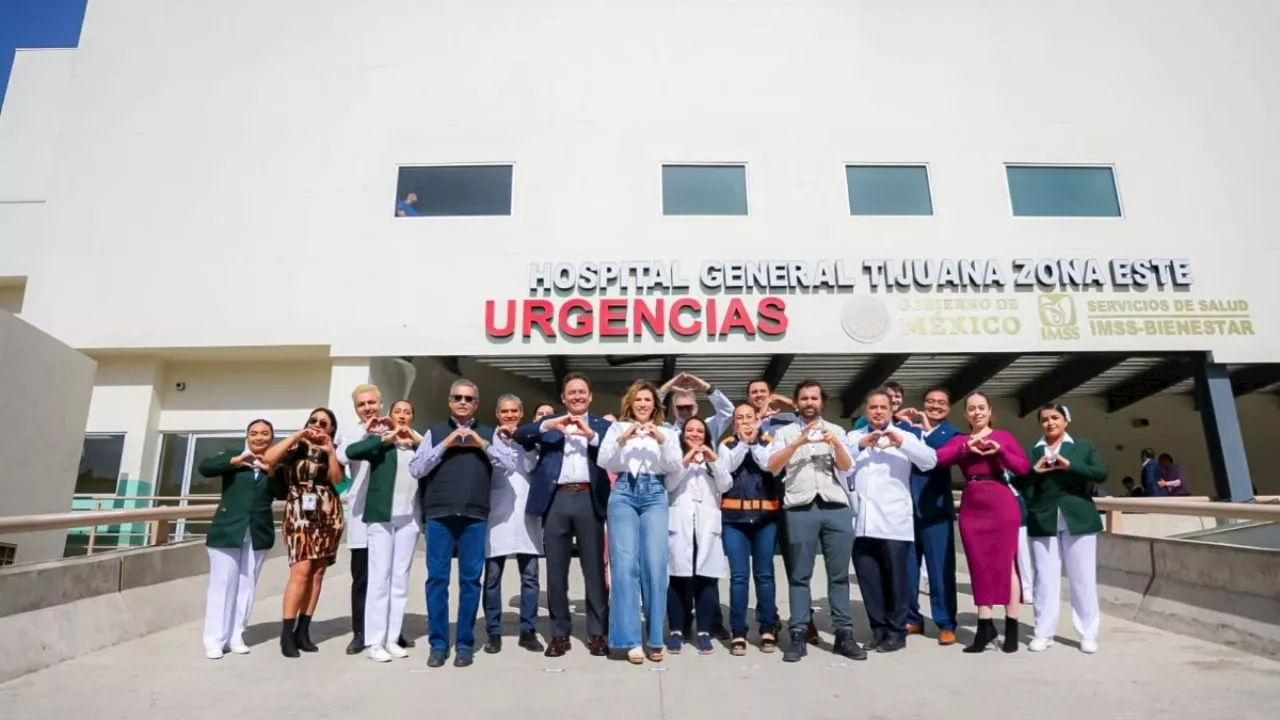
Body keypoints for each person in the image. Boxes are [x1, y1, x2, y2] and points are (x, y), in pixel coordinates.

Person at [408, 379, 518, 668]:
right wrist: (446, 443)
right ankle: (439, 644)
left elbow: (508, 466)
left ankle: (465, 644)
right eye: (457, 397)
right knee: (437, 581)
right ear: (449, 400)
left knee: (471, 582)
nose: (463, 402)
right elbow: (417, 468)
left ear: (476, 404)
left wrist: (481, 444)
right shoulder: (434, 431)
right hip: (439, 515)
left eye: (469, 398)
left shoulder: (488, 433)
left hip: (474, 516)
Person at [763, 379, 865, 663]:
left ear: (822, 402)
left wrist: (834, 444)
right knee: (799, 575)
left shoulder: (837, 430)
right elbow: (772, 467)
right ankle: (798, 634)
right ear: (796, 403)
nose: (809, 403)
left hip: (834, 506)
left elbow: (847, 467)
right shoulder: (784, 433)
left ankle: (844, 633)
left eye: (814, 398)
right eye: (804, 398)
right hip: (800, 507)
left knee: (839, 575)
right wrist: (798, 442)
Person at [515, 373, 615, 658]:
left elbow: (614, 447)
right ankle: (559, 634)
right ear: (563, 397)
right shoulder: (551, 424)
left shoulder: (601, 426)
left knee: (594, 570)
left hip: (588, 497)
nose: (577, 397)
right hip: (556, 498)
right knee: (556, 570)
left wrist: (590, 435)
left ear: (590, 396)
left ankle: (598, 633)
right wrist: (549, 423)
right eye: (572, 392)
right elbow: (521, 434)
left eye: (582, 392)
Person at [934, 392, 1031, 653]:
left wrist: (1000, 452)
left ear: (989, 411)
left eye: (981, 408)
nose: (977, 412)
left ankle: (1012, 625)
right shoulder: (960, 440)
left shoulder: (1003, 437)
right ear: (965, 415)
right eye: (971, 409)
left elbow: (1023, 468)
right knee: (979, 565)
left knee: (1007, 563)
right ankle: (985, 624)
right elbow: (939, 458)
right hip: (973, 503)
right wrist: (966, 447)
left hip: (1000, 500)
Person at [597, 380, 682, 663]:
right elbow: (604, 460)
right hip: (623, 491)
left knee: (656, 564)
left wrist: (660, 439)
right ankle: (630, 640)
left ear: (655, 405)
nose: (643, 404)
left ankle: (655, 637)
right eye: (638, 400)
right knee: (624, 565)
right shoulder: (617, 428)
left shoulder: (668, 431)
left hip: (654, 493)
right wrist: (624, 437)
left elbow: (674, 466)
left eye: (647, 400)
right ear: (630, 404)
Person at [848, 388, 938, 653]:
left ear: (891, 411)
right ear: (866, 410)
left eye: (883, 408)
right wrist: (860, 445)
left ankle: (897, 631)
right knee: (869, 580)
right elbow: (839, 462)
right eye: (873, 407)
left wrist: (902, 443)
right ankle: (879, 630)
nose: (878, 412)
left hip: (894, 522)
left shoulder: (906, 436)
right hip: (862, 521)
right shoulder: (854, 437)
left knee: (897, 580)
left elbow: (929, 461)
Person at [261, 408, 346, 658]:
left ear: (331, 428)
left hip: (328, 512)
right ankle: (286, 634)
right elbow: (268, 459)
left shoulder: (332, 448)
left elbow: (337, 479)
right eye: (314, 420)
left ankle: (303, 630)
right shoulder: (294, 447)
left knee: (318, 572)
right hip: (299, 511)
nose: (318, 425)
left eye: (324, 422)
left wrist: (330, 451)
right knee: (301, 571)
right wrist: (298, 435)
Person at [342, 400, 423, 663]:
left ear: (412, 416)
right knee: (379, 579)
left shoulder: (417, 442)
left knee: (400, 580)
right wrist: (383, 438)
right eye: (397, 412)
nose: (402, 416)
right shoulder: (380, 443)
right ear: (390, 416)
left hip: (408, 519)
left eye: (407, 412)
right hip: (381, 518)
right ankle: (374, 641)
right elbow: (352, 452)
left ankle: (392, 637)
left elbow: (435, 456)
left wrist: (415, 439)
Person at [1024, 404, 1107, 654]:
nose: (1050, 423)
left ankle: (1087, 633)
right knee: (1045, 579)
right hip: (1044, 517)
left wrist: (1070, 465)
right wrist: (1034, 471)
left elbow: (1101, 473)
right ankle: (1043, 632)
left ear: (1066, 421)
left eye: (1055, 418)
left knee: (1082, 578)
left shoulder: (1083, 446)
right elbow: (1021, 483)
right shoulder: (1033, 450)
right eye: (1045, 420)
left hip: (1078, 517)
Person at [198, 419, 277, 659]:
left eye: (265, 434)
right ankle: (214, 639)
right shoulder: (233, 456)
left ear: (271, 438)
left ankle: (235, 635)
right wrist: (233, 462)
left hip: (257, 531)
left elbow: (283, 489)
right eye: (254, 433)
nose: (259, 438)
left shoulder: (274, 462)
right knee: (223, 584)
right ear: (247, 436)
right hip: (228, 530)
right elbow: (206, 467)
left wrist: (270, 471)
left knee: (246, 586)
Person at [482, 394, 545, 654]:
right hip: (497, 516)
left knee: (530, 576)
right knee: (493, 577)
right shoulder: (487, 440)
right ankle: (493, 632)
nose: (509, 416)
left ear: (521, 414)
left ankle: (528, 630)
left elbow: (534, 467)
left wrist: (522, 442)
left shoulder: (530, 440)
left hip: (526, 516)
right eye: (504, 411)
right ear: (497, 414)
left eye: (514, 412)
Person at [666, 416, 733, 656]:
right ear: (683, 434)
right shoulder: (674, 457)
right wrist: (686, 460)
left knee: (706, 580)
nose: (695, 435)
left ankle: (704, 632)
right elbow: (669, 484)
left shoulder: (713, 461)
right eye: (690, 430)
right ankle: (676, 630)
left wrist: (713, 462)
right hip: (680, 524)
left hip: (707, 526)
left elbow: (725, 485)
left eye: (700, 431)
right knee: (677, 579)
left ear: (706, 436)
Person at [719, 403, 782, 655]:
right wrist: (743, 444)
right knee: (739, 577)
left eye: (749, 417)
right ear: (734, 423)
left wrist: (754, 443)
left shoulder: (769, 442)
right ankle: (738, 631)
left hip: (765, 518)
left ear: (757, 419)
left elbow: (769, 465)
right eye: (740, 418)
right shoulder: (726, 445)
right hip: (734, 520)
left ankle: (768, 627)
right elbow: (728, 469)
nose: (745, 422)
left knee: (765, 575)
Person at [902, 386, 960, 645]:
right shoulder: (907, 430)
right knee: (908, 569)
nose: (935, 406)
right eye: (930, 401)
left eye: (941, 403)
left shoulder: (953, 435)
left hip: (935, 511)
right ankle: (912, 618)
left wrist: (927, 431)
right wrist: (896, 416)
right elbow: (871, 426)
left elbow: (938, 457)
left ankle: (946, 623)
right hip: (905, 511)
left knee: (940, 570)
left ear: (948, 408)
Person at [659, 371, 735, 443]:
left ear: (696, 408)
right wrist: (665, 389)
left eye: (689, 407)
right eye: (680, 408)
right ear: (673, 410)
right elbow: (648, 412)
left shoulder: (708, 428)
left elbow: (729, 412)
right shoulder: (666, 431)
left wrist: (707, 388)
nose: (684, 411)